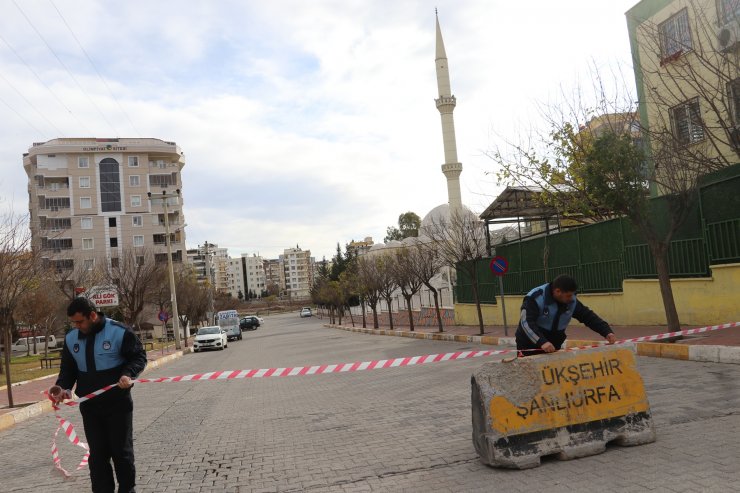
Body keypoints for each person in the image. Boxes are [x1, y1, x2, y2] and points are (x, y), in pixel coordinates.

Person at [48, 298, 147, 493]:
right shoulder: (71, 339)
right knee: (98, 455)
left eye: (80, 322)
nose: (77, 326)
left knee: (122, 453)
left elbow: (139, 357)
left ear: (92, 316)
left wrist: (128, 373)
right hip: (91, 408)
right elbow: (68, 370)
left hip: (118, 404)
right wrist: (62, 388)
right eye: (74, 323)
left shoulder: (119, 332)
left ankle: (128, 490)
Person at [516, 274, 617, 357]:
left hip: (553, 346)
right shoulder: (535, 297)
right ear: (558, 291)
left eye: (572, 295)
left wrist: (606, 331)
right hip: (529, 344)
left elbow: (587, 316)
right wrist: (541, 341)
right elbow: (526, 323)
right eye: (568, 295)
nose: (571, 298)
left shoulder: (571, 301)